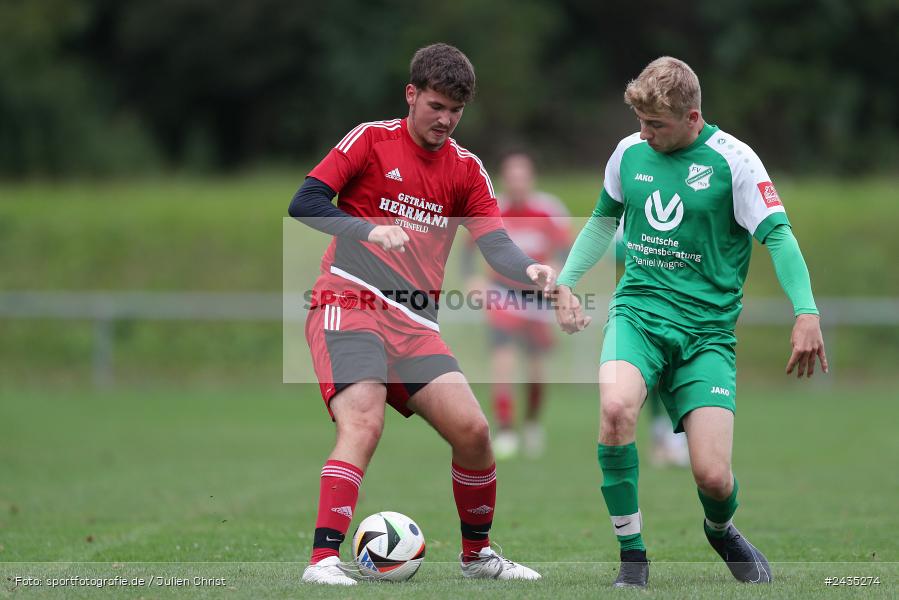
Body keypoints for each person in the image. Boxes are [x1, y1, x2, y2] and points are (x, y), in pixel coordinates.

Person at [553, 56, 827, 588]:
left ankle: (721, 529)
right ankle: (633, 558)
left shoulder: (735, 162)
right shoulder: (629, 154)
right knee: (614, 411)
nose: (644, 134)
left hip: (706, 335)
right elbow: (600, 220)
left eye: (657, 125)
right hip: (638, 315)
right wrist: (566, 281)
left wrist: (807, 311)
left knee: (714, 476)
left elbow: (778, 236)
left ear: (693, 117)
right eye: (640, 122)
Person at [289, 43, 551, 585]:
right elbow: (306, 200)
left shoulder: (466, 170)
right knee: (364, 420)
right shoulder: (370, 140)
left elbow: (495, 245)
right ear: (412, 95)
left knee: (475, 432)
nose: (446, 120)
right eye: (436, 106)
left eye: (456, 110)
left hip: (415, 324)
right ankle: (322, 561)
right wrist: (365, 228)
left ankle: (477, 556)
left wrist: (532, 272)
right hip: (349, 299)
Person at [462, 152, 570, 459]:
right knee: (503, 363)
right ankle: (506, 427)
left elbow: (565, 248)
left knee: (536, 369)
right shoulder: (492, 210)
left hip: (536, 297)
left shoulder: (547, 210)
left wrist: (558, 268)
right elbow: (468, 252)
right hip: (502, 295)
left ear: (531, 179)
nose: (517, 183)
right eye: (512, 177)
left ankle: (532, 423)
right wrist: (473, 280)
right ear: (504, 180)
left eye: (523, 177)